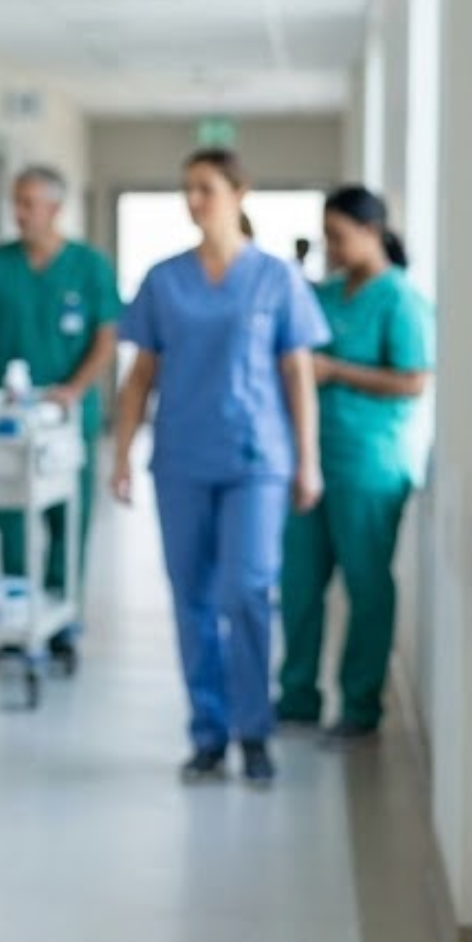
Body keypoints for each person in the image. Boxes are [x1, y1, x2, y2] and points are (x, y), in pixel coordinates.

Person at [111, 148, 329, 785]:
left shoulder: (276, 279)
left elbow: (298, 374)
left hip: (256, 460)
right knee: (192, 599)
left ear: (239, 192)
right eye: (187, 189)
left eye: (206, 188)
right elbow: (140, 375)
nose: (194, 201)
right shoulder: (163, 280)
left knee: (247, 590)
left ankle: (253, 729)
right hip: (181, 458)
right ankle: (207, 733)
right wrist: (122, 454)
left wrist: (308, 461)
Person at [276, 187, 434, 741]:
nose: (332, 247)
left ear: (373, 232)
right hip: (310, 457)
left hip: (369, 463)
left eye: (339, 236)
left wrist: (336, 371)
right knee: (299, 583)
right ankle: (297, 696)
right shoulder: (323, 294)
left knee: (366, 585)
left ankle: (360, 706)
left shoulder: (400, 300)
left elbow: (414, 380)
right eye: (327, 237)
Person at [0, 164, 120, 662]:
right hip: (6, 423)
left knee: (68, 519)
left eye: (29, 204)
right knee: (9, 520)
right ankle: (16, 616)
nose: (20, 214)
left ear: (55, 208)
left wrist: (74, 389)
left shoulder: (89, 267)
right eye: (17, 203)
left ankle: (62, 618)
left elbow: (106, 340)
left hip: (67, 421)